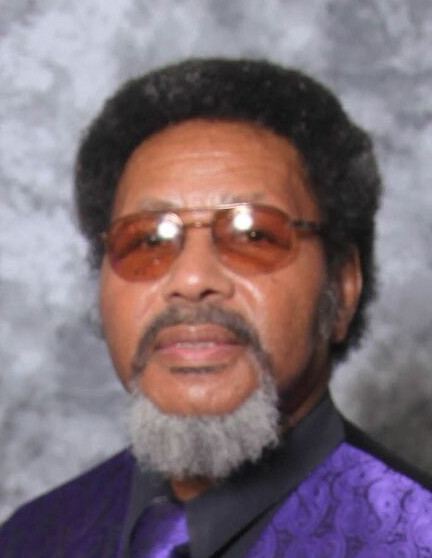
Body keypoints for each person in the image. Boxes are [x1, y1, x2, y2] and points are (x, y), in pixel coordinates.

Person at [1, 58, 431, 557]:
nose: (191, 280)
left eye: (253, 235)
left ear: (342, 288)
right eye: (147, 240)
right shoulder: (30, 539)